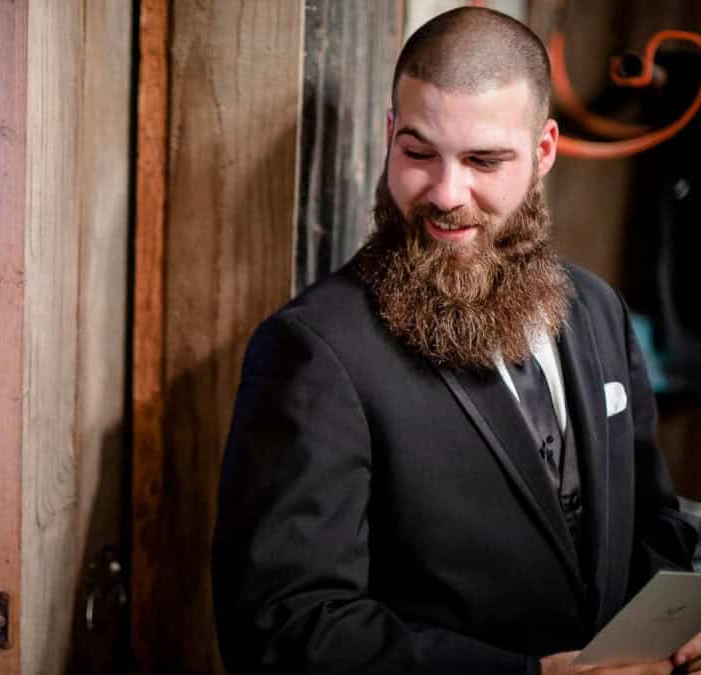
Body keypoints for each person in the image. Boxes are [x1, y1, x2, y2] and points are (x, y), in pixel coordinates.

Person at [212, 8, 700, 675]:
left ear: (544, 152)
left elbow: (655, 524)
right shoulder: (312, 351)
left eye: (483, 160)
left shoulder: (597, 309)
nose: (446, 193)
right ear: (390, 136)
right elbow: (284, 625)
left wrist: (677, 631)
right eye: (417, 153)